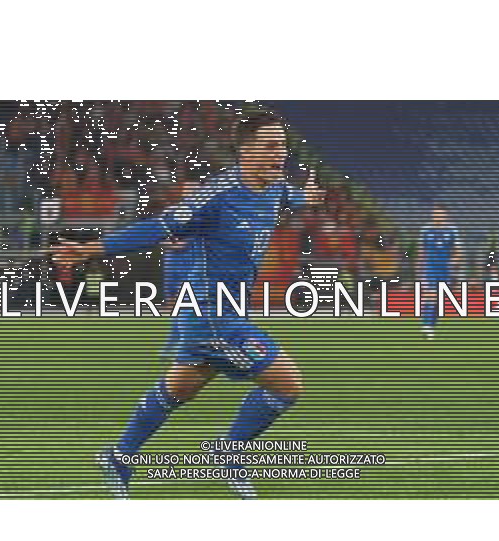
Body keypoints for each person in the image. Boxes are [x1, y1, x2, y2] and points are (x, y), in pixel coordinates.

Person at [53, 112, 324, 499]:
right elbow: (159, 226)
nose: (280, 153)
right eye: (269, 146)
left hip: (222, 311)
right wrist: (91, 250)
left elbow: (289, 197)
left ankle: (119, 455)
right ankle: (228, 454)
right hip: (212, 315)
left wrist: (308, 197)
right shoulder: (214, 196)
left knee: (179, 389)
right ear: (244, 150)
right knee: (287, 385)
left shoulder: (275, 188)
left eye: (282, 145)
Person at [417, 205, 461, 340]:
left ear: (446, 216)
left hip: (445, 271)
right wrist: (419, 269)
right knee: (431, 296)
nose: (437, 217)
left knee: (438, 299)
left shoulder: (452, 231)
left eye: (440, 214)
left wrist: (452, 263)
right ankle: (428, 326)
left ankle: (430, 323)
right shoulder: (425, 230)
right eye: (435, 214)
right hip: (430, 269)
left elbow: (458, 253)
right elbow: (421, 252)